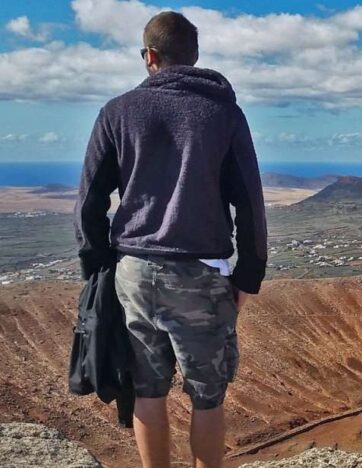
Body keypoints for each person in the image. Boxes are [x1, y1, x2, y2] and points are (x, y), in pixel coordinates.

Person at [74, 11, 267, 468]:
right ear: (194, 57)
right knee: (207, 397)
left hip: (134, 273)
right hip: (203, 273)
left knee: (146, 390)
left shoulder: (117, 112)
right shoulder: (223, 113)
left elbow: (89, 202)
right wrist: (247, 276)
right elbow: (249, 202)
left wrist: (100, 270)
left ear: (150, 57)